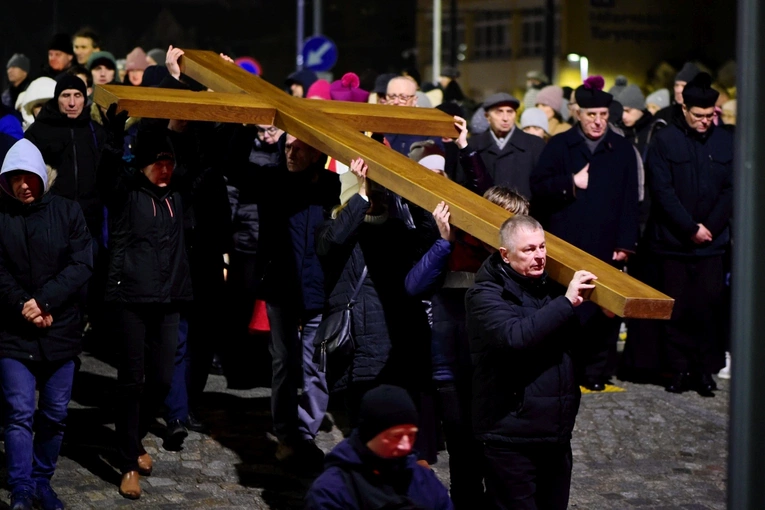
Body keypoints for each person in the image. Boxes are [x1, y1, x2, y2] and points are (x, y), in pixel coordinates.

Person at [465, 215, 596, 510]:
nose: (539, 256)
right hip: (510, 438)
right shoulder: (484, 295)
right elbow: (515, 336)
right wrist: (567, 303)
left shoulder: (550, 288)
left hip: (555, 436)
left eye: (541, 247)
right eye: (528, 250)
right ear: (505, 254)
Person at [97, 114, 195, 498]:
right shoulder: (127, 191)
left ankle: (133, 439)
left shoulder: (177, 193)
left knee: (163, 379)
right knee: (131, 382)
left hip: (169, 296)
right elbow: (105, 180)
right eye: (159, 162)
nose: (166, 169)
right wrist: (112, 140)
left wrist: (180, 133)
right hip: (131, 299)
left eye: (170, 162)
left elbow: (202, 165)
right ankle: (126, 462)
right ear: (143, 164)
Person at [0, 139, 93, 510]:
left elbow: (82, 262)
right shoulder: (1, 215)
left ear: (41, 176)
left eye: (28, 177)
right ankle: (21, 486)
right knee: (19, 412)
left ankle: (41, 481)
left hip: (61, 329)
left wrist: (45, 301)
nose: (23, 185)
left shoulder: (69, 212)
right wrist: (24, 304)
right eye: (14, 178)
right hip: (13, 330)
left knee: (54, 414)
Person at [530, 76, 639, 391]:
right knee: (569, 308)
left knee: (603, 312)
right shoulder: (561, 145)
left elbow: (631, 199)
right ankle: (566, 370)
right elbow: (539, 187)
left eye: (604, 115)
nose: (598, 121)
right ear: (578, 113)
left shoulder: (621, 148)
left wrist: (626, 242)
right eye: (592, 115)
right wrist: (571, 183)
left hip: (607, 243)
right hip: (568, 240)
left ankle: (594, 373)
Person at [316, 158, 431, 445]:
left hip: (391, 338)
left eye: (381, 191)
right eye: (370, 192)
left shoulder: (396, 229)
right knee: (363, 422)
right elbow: (331, 243)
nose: (376, 197)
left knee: (388, 422)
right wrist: (361, 194)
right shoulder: (335, 228)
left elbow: (426, 241)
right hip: (356, 339)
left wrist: (418, 201)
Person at [643, 72, 732, 395]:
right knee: (677, 310)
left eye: (710, 116)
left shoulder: (726, 141)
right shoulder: (666, 140)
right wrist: (690, 228)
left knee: (709, 310)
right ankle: (678, 369)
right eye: (699, 116)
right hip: (674, 244)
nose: (705, 122)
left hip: (712, 244)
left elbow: (730, 189)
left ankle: (704, 370)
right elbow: (662, 190)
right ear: (684, 110)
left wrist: (710, 227)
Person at [304, 385, 453, 510]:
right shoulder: (332, 491)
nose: (405, 445)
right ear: (370, 434)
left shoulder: (423, 480)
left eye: (411, 435)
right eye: (396, 436)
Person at [24, 74, 106, 247]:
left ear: (85, 99)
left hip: (90, 225)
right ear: (57, 98)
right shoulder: (38, 131)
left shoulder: (95, 131)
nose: (71, 103)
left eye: (77, 95)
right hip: (50, 222)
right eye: (65, 95)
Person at [467, 93, 546, 200]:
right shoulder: (473, 145)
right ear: (487, 116)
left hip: (524, 213)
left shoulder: (535, 145)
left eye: (510, 112)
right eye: (499, 112)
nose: (505, 118)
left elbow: (542, 186)